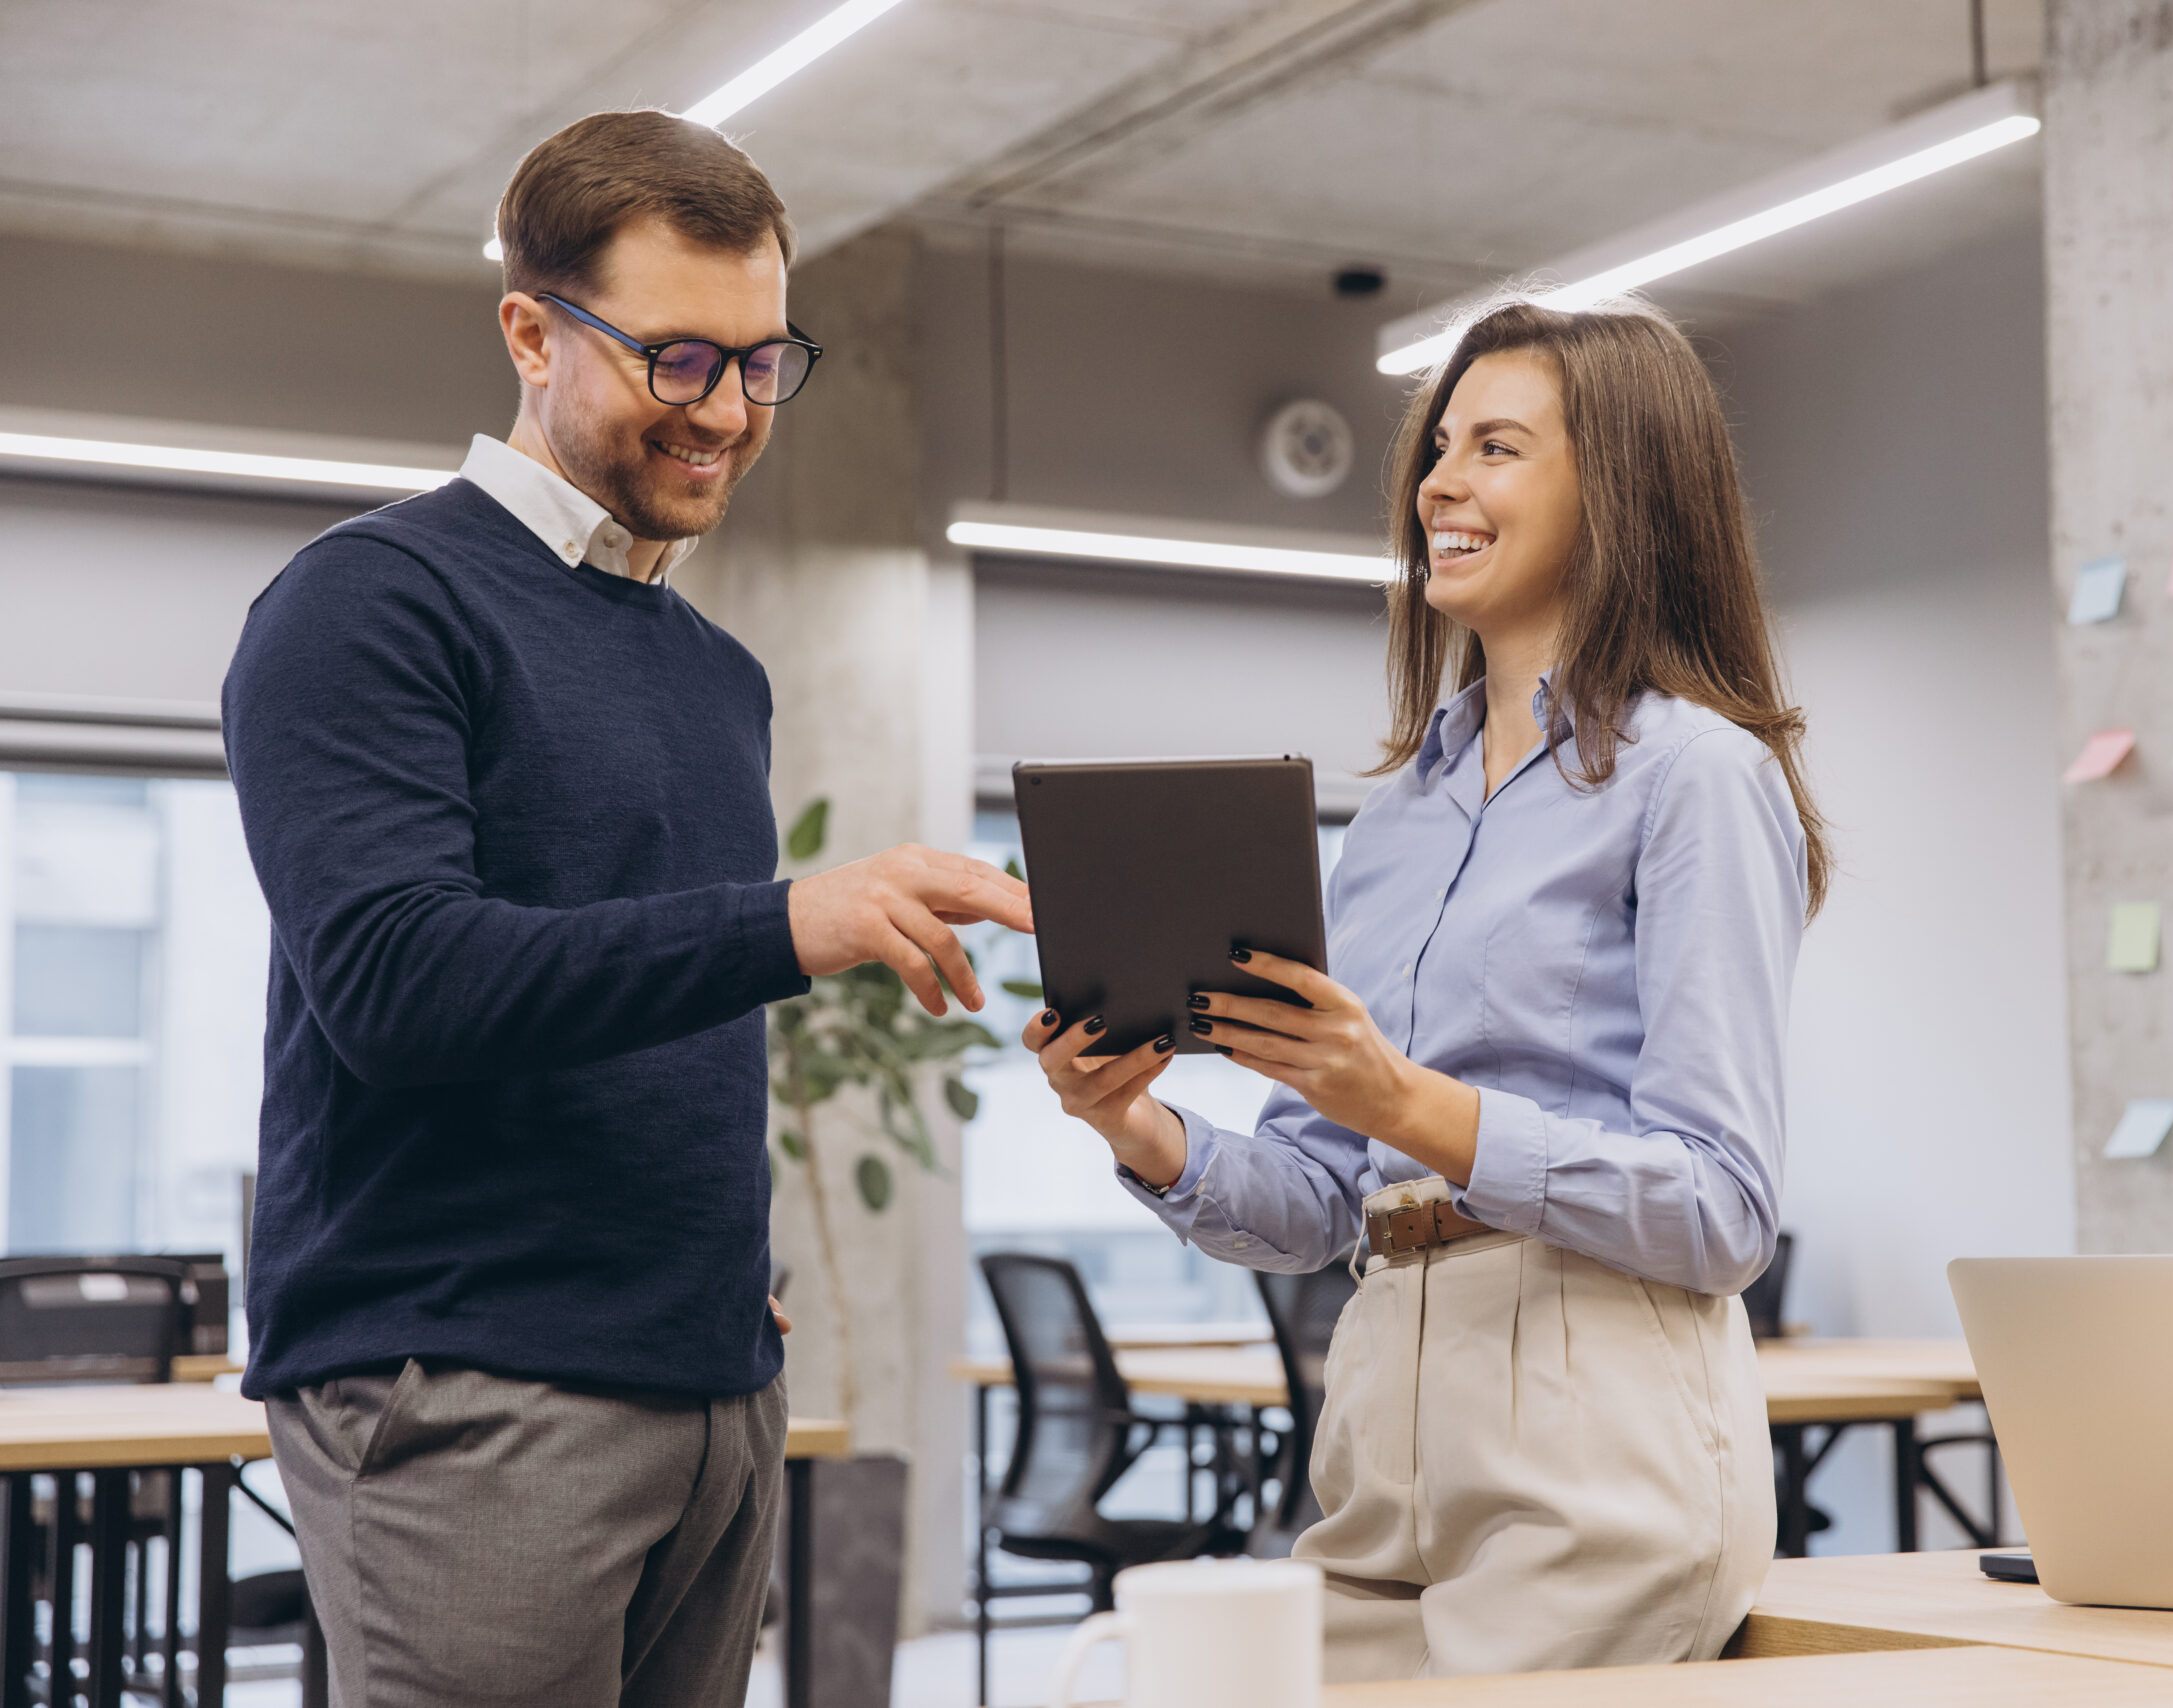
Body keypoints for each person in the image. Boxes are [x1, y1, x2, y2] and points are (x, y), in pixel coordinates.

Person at [222, 110, 1030, 1708]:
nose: (725, 411)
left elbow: (639, 1011)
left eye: (758, 360)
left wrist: (706, 1259)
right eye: (673, 358)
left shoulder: (715, 674)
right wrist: (793, 920)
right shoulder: (369, 604)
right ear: (529, 330)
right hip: (464, 1391)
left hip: (712, 1382)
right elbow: (401, 981)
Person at [1025, 298, 1828, 1680]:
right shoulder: (1397, 818)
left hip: (1599, 1424)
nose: (1438, 483)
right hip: (1384, 1404)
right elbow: (1322, 1202)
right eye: (1441, 446)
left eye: (1497, 448)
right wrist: (1136, 1128)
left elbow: (1724, 1210)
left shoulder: (1697, 778)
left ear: (1620, 488)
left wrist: (1408, 1099)